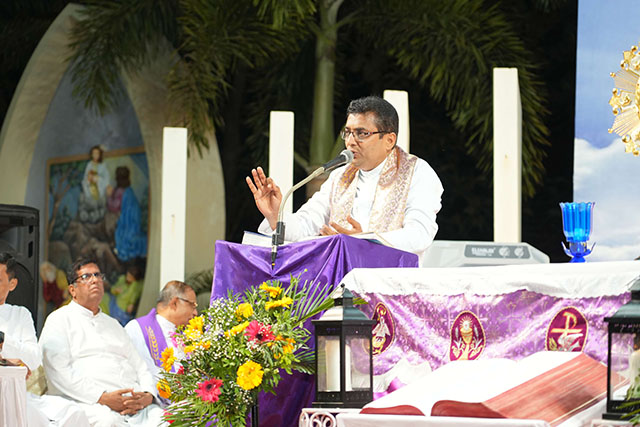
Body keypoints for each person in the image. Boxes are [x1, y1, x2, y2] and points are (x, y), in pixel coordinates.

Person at [246, 95, 444, 259]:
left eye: (362, 133)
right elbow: (307, 224)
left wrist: (364, 241)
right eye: (347, 133)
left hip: (391, 285)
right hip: (339, 283)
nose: (350, 142)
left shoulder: (417, 172)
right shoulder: (340, 176)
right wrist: (276, 216)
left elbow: (419, 235)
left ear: (389, 140)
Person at [39, 257, 164, 426]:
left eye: (98, 275)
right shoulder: (59, 320)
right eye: (86, 277)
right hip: (86, 402)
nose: (95, 280)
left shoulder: (114, 325)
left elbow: (140, 366)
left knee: (161, 418)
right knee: (108, 421)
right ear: (72, 290)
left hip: (133, 404)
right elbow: (59, 371)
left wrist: (148, 395)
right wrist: (102, 397)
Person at [0, 252, 89, 426]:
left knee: (73, 413)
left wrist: (3, 339)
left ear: (12, 284)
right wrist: (9, 361)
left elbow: (33, 359)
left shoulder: (20, 314)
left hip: (15, 394)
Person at [125, 281, 197, 401]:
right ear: (174, 303)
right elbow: (143, 372)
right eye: (192, 305)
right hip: (153, 405)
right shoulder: (138, 329)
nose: (195, 313)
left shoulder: (187, 335)